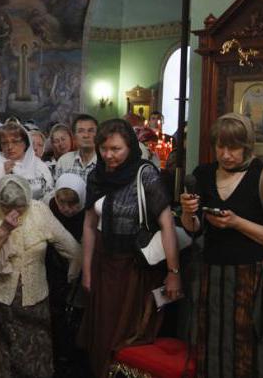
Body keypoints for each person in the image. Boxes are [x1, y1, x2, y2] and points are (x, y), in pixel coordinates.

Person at [181, 113, 263, 378]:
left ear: (247, 147)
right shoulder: (203, 174)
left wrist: (237, 223)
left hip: (252, 280)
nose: (226, 155)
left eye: (234, 148)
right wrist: (187, 212)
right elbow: (194, 229)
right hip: (212, 276)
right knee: (211, 344)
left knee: (249, 349)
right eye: (220, 147)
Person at [78, 119, 181, 378]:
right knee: (101, 332)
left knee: (127, 334)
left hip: (135, 268)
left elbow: (167, 224)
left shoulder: (144, 174)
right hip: (103, 264)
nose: (109, 155)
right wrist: (87, 270)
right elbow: (90, 226)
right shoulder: (96, 176)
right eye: (104, 149)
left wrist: (173, 271)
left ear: (130, 147)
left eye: (116, 149)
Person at [0, 174, 81, 378]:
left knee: (36, 347)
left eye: (21, 207)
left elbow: (71, 248)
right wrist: (4, 229)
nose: (15, 212)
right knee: (3, 347)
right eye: (8, 207)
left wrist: (72, 277)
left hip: (35, 295)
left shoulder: (39, 210)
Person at [44, 173, 88, 376]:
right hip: (52, 268)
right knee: (56, 315)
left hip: (78, 273)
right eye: (62, 203)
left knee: (75, 317)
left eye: (73, 204)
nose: (67, 209)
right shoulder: (48, 208)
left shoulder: (87, 214)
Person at [0, 122, 53, 201]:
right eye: (4, 143)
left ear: (25, 143)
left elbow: (50, 193)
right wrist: (2, 174)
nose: (10, 147)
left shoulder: (39, 165)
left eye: (15, 142)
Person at [55, 114, 98, 181]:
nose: (86, 135)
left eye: (91, 131)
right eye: (81, 131)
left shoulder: (105, 162)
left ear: (98, 134)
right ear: (74, 136)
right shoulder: (64, 162)